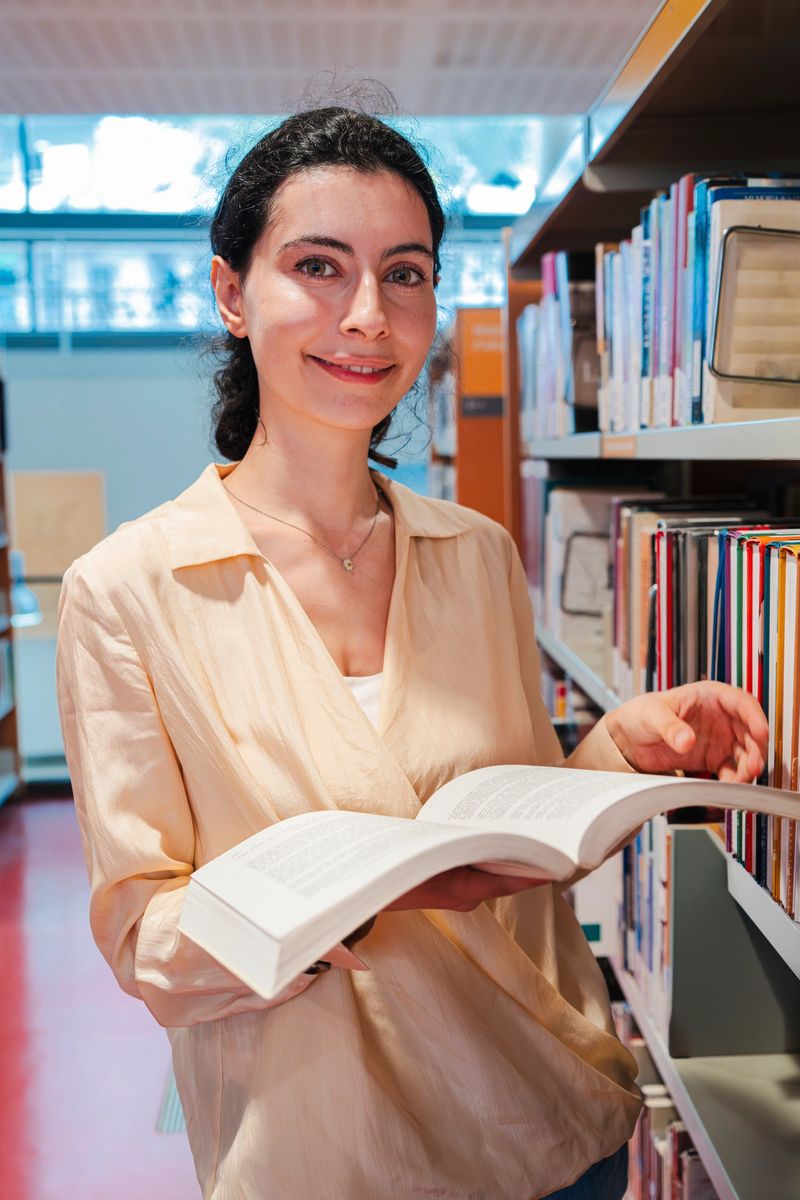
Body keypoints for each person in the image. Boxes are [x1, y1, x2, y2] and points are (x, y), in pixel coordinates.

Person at [55, 105, 769, 1200]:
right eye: (317, 266)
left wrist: (616, 753)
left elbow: (515, 834)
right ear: (233, 293)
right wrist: (367, 897)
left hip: (540, 1116)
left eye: (403, 274)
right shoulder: (129, 592)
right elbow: (146, 938)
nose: (366, 317)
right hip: (324, 1149)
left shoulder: (472, 554)